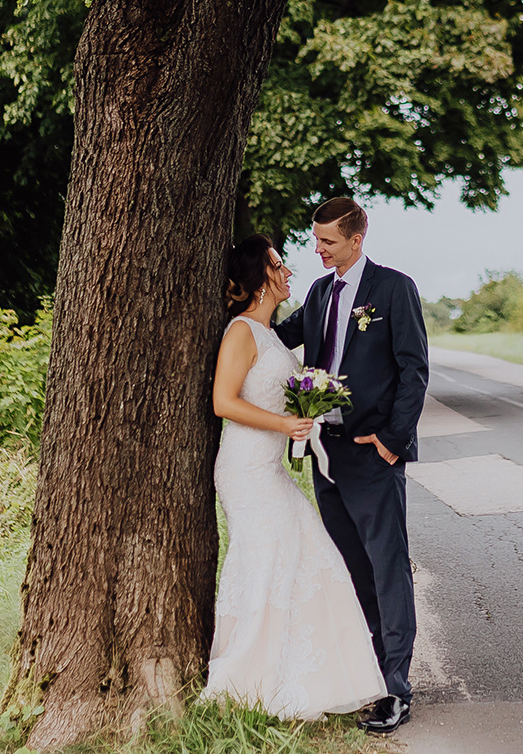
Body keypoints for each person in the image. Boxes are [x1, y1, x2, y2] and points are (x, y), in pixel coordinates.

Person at [201, 236, 387, 719]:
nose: (288, 273)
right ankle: (249, 676)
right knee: (268, 560)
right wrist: (285, 425)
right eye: (279, 265)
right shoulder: (240, 332)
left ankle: (313, 674)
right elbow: (223, 402)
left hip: (271, 468)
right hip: (245, 470)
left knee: (310, 554)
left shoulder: (270, 335)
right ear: (260, 276)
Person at [274, 197, 427, 734]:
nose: (317, 249)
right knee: (352, 568)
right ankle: (366, 674)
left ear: (356, 240)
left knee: (387, 567)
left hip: (372, 451)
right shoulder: (319, 292)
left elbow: (414, 370)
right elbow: (275, 338)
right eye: (315, 240)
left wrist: (392, 440)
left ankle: (396, 689)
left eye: (328, 241)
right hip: (326, 453)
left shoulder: (394, 289)